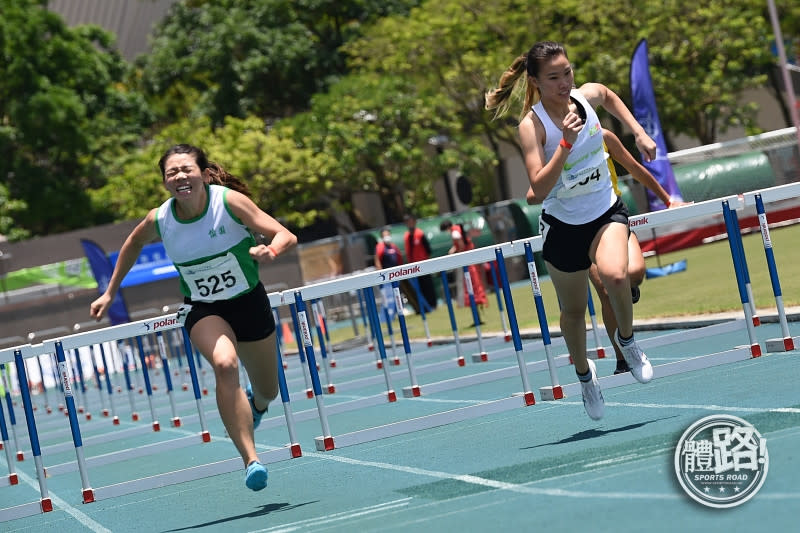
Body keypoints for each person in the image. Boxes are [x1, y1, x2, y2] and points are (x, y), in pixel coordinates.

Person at [89, 144, 297, 491]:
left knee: (268, 389)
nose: (180, 176)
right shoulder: (161, 218)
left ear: (201, 173)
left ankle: (257, 404)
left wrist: (270, 249)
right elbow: (132, 243)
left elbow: (285, 233)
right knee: (225, 364)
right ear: (165, 182)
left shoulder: (228, 202)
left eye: (186, 169)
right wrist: (110, 292)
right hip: (203, 308)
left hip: (248, 302)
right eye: (172, 172)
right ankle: (251, 460)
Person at [486, 41, 655, 420]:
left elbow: (609, 95)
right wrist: (565, 141)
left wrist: (638, 132)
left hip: (604, 210)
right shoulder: (531, 127)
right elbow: (538, 190)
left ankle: (626, 341)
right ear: (535, 81)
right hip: (562, 225)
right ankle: (584, 377)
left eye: (567, 73)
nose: (564, 83)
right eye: (553, 77)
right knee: (574, 312)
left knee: (616, 276)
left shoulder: (586, 97)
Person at [526, 129, 689, 375]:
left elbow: (634, 168)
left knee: (634, 272)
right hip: (577, 228)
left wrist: (668, 199)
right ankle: (622, 359)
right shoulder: (554, 147)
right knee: (604, 289)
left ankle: (626, 290)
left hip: (610, 217)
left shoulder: (602, 136)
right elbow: (535, 189)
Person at [440, 219, 488, 312]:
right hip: (470, 259)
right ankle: (477, 306)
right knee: (473, 283)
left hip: (467, 261)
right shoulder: (457, 229)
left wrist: (458, 254)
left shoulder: (454, 232)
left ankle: (476, 305)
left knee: (470, 284)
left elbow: (461, 244)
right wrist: (453, 250)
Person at [403, 214, 438, 311]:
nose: (409, 224)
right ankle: (424, 306)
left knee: (428, 285)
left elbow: (428, 249)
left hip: (424, 264)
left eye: (411, 221)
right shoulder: (406, 236)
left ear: (414, 222)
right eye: (407, 222)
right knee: (419, 287)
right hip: (413, 266)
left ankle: (433, 305)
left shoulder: (420, 234)